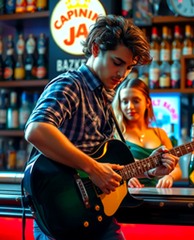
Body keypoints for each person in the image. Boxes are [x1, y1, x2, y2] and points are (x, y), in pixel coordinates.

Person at [24, 15, 178, 240]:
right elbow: (36, 130)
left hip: (93, 214)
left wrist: (150, 169)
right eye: (117, 63)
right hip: (62, 213)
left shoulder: (103, 96)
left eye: (129, 67)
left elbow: (107, 162)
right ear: (96, 49)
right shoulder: (71, 84)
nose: (122, 74)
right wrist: (94, 169)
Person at [112, 78, 182, 188]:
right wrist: (125, 179)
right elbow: (111, 170)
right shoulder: (114, 134)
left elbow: (177, 168)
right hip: (128, 196)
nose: (129, 106)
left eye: (136, 101)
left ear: (148, 102)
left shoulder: (159, 133)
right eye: (125, 102)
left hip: (156, 194)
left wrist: (169, 177)